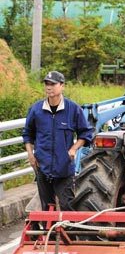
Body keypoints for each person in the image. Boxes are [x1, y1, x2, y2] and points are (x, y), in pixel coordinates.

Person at [21, 71, 94, 211]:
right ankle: (51, 233)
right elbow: (27, 134)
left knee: (67, 207)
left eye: (53, 84)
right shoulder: (36, 109)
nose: (49, 87)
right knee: (47, 209)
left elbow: (85, 133)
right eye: (47, 84)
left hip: (64, 169)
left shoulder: (73, 109)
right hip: (42, 168)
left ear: (62, 86)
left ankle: (69, 232)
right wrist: (30, 154)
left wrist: (73, 149)